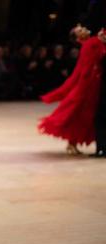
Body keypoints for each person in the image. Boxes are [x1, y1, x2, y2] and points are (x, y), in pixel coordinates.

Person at [38, 25, 106, 155]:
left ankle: (73, 143)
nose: (84, 29)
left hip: (93, 83)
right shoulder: (89, 44)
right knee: (77, 113)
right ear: (77, 37)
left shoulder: (92, 41)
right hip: (88, 84)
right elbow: (87, 67)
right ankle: (72, 142)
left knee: (82, 115)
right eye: (79, 30)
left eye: (82, 28)